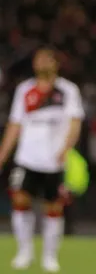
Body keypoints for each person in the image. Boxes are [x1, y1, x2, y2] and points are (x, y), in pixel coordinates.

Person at [0, 47, 85, 273]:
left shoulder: (68, 90)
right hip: (26, 157)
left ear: (56, 64)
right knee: (19, 200)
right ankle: (24, 252)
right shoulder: (24, 89)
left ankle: (49, 256)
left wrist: (66, 148)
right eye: (39, 59)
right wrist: (2, 155)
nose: (42, 63)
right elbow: (15, 124)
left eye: (47, 59)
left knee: (53, 206)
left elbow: (75, 122)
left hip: (53, 160)